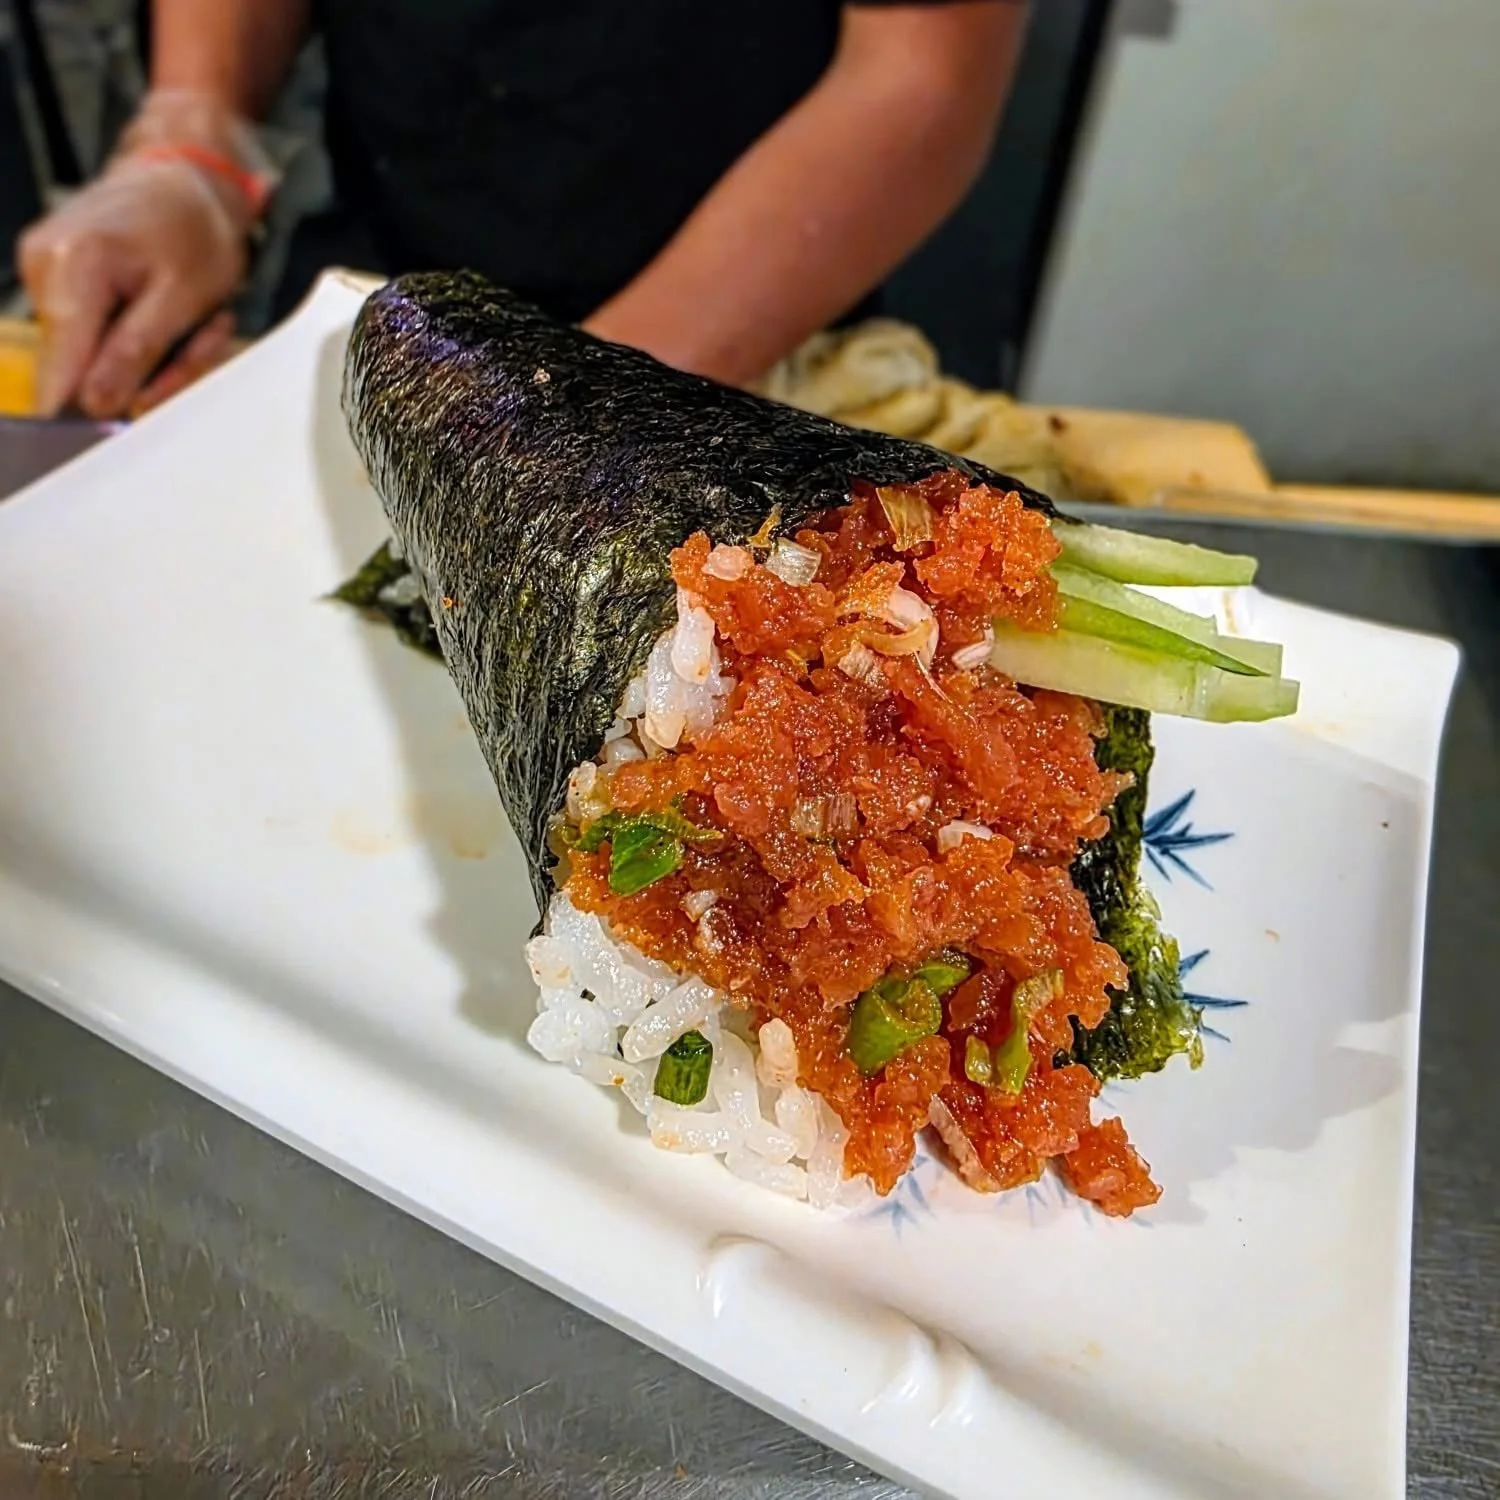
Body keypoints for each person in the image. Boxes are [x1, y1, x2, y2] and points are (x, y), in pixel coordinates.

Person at [16, 0, 1026, 420]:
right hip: (380, 290)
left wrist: (558, 411)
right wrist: (194, 143)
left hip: (765, 339)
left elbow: (917, 73)